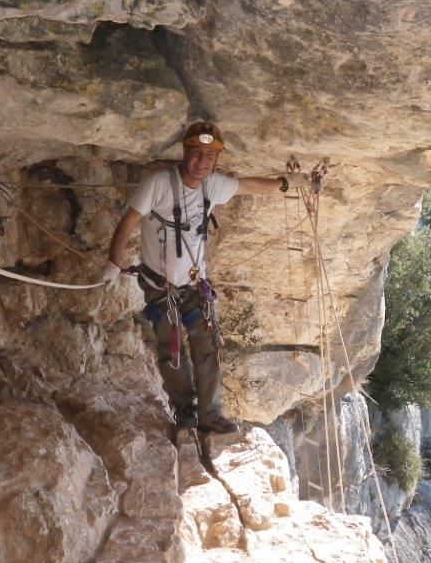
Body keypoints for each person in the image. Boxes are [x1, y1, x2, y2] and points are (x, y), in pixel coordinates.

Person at [102, 121, 308, 433]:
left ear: (216, 160)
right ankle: (185, 409)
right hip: (161, 284)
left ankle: (209, 414)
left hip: (196, 284)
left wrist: (286, 182)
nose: (203, 160)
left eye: (210, 155)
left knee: (207, 344)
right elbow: (128, 221)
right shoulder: (158, 183)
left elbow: (248, 186)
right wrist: (113, 263)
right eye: (197, 152)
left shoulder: (213, 185)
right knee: (171, 348)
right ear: (185, 153)